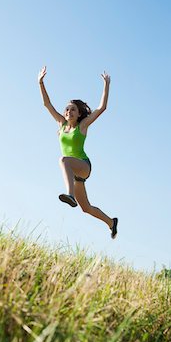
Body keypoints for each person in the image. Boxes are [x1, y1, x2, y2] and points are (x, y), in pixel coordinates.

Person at [38, 66, 118, 239]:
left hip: (83, 166)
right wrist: (41, 83)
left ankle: (70, 195)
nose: (68, 111)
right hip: (75, 175)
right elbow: (47, 104)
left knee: (64, 160)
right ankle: (111, 223)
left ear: (79, 113)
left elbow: (102, 107)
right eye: (67, 109)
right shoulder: (62, 124)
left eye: (73, 109)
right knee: (86, 208)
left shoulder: (82, 126)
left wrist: (107, 84)